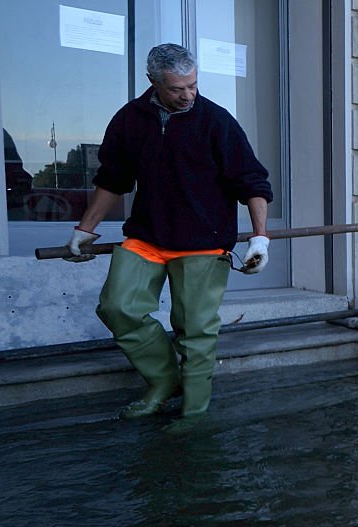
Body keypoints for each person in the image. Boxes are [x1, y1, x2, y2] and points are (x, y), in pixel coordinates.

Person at [65, 43, 273, 419]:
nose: (188, 95)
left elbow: (253, 181)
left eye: (193, 85)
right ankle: (163, 380)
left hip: (203, 244)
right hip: (147, 237)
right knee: (117, 307)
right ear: (153, 82)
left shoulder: (216, 121)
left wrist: (260, 237)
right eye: (178, 88)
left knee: (194, 331)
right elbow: (113, 179)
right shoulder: (130, 119)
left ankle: (193, 414)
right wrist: (86, 229)